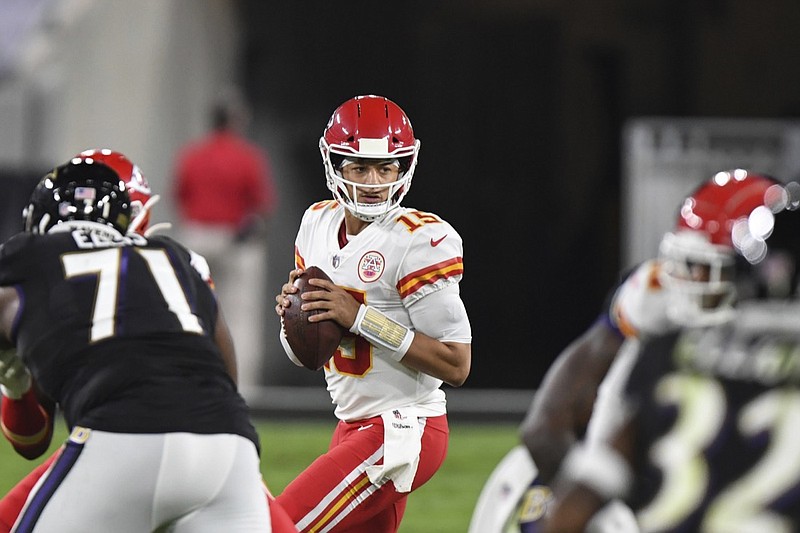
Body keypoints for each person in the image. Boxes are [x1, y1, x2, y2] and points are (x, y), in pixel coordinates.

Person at [0, 149, 299, 533]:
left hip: (120, 440)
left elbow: (31, 443)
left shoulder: (27, 258)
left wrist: (15, 381)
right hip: (228, 450)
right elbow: (226, 380)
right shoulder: (176, 259)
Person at [471, 169, 784, 532]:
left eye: (706, 268)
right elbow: (546, 426)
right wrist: (606, 507)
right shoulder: (653, 297)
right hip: (645, 481)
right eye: (687, 263)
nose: (685, 280)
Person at [274, 94, 472, 532]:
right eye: (359, 167)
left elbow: (457, 364)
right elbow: (308, 354)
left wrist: (360, 317)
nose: (373, 181)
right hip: (352, 423)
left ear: (403, 169)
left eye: (386, 168)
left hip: (402, 426)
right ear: (334, 165)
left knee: (275, 523)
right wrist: (292, 320)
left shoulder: (418, 240)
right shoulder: (316, 224)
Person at [173, 86, 278, 389]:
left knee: (190, 313)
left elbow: (181, 195)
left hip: (196, 238)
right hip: (233, 240)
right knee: (239, 319)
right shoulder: (247, 156)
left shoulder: (192, 154)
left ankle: (187, 383)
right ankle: (240, 390)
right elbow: (263, 207)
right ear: (236, 119)